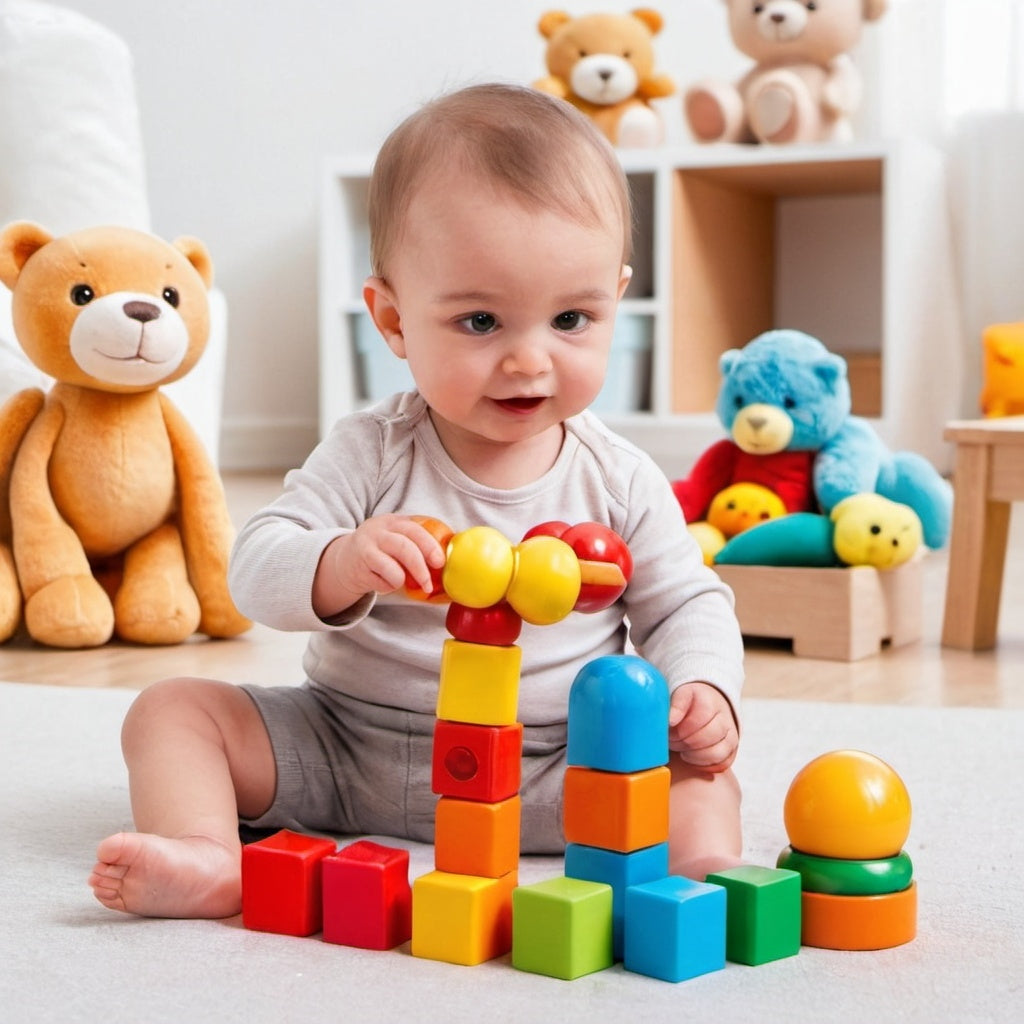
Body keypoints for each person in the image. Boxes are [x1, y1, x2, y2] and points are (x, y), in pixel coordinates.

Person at [88, 82, 745, 920]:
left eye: (573, 319)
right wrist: (341, 560)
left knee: (698, 768)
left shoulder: (618, 477)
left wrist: (704, 690)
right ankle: (211, 858)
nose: (529, 361)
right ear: (392, 320)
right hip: (343, 747)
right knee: (170, 712)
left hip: (556, 768)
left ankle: (696, 880)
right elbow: (254, 566)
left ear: (616, 299)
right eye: (481, 322)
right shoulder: (372, 449)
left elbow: (687, 601)